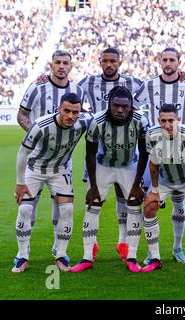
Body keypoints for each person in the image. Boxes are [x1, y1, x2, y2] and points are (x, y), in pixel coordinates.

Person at [134, 47, 185, 264]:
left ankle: (178, 248)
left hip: (182, 148)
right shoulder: (149, 85)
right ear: (160, 62)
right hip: (156, 147)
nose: (168, 63)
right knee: (150, 203)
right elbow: (134, 106)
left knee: (181, 204)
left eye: (172, 60)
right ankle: (152, 252)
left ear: (179, 62)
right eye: (165, 60)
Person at [70, 86, 149, 273]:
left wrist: (137, 184)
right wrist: (93, 186)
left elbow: (145, 153)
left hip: (129, 166)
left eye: (124, 106)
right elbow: (89, 154)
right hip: (103, 166)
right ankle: (87, 257)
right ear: (109, 105)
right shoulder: (97, 121)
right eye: (116, 106)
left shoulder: (140, 121)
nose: (120, 110)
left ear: (131, 107)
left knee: (134, 206)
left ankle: (132, 256)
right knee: (93, 205)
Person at [12, 93, 92, 273]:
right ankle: (22, 255)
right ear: (58, 109)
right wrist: (19, 182)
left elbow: (102, 116)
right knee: (25, 209)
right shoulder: (41, 125)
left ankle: (61, 254)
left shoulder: (84, 121)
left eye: (75, 112)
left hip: (60, 170)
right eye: (66, 111)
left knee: (67, 209)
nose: (71, 116)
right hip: (35, 168)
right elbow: (23, 153)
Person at [16, 49, 84, 263]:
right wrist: (36, 136)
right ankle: (23, 253)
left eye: (65, 63)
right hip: (35, 158)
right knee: (28, 207)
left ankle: (58, 248)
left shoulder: (77, 90)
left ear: (71, 66)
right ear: (51, 65)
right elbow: (22, 114)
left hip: (63, 161)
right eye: (57, 62)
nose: (61, 66)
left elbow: (82, 118)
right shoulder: (38, 86)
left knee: (61, 207)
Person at [76, 48, 143, 261]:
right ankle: (91, 246)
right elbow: (71, 94)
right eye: (105, 61)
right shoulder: (88, 81)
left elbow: (152, 91)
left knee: (125, 198)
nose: (109, 64)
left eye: (113, 61)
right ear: (100, 62)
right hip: (100, 149)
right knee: (94, 198)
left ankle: (123, 242)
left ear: (119, 62)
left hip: (126, 148)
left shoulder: (133, 83)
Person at [142, 103, 185, 274]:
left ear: (178, 120)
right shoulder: (152, 134)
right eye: (163, 121)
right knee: (149, 206)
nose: (167, 124)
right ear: (158, 120)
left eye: (171, 120)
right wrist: (155, 190)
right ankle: (155, 257)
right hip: (165, 178)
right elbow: (153, 163)